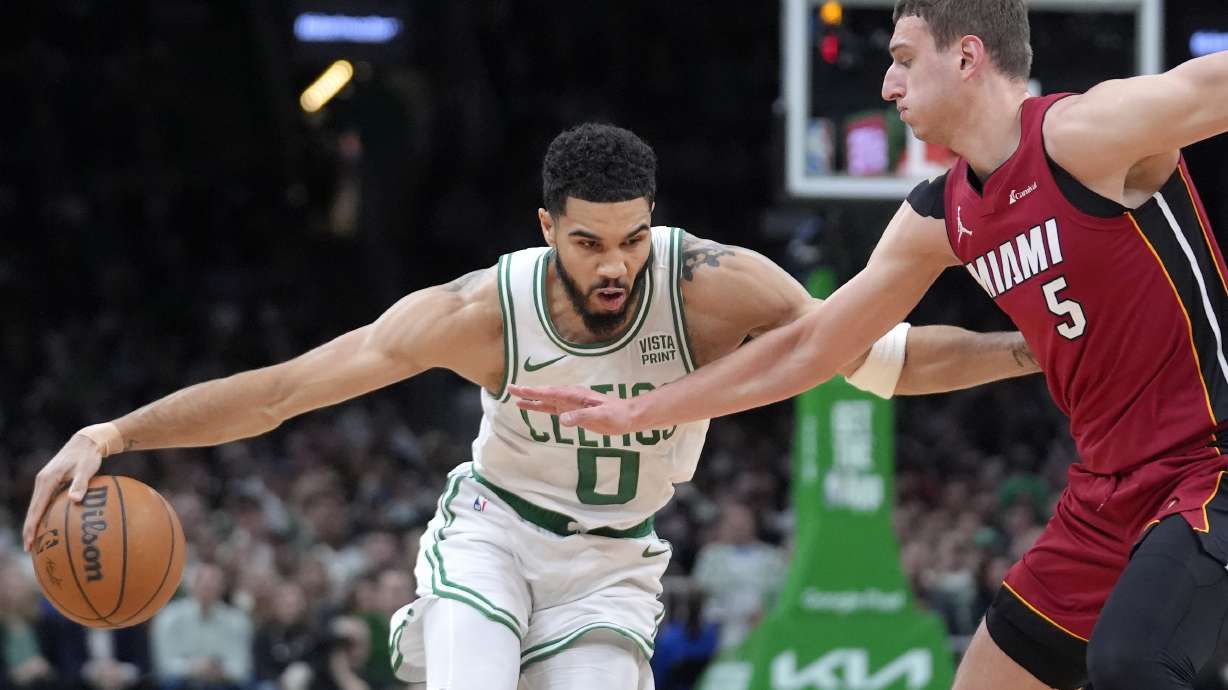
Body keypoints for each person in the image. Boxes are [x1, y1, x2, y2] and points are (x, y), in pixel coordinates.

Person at [22, 123, 1039, 690]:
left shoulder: (719, 288)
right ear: (546, 225)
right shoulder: (479, 313)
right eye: (589, 241)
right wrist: (114, 432)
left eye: (633, 239)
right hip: (494, 537)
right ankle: (442, 629)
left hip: (614, 564)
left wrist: (1042, 346)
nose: (615, 265)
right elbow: (287, 391)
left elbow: (894, 362)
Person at [510, 4, 1228, 690]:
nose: (887, 85)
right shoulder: (937, 214)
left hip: (1211, 463)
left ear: (968, 57)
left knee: (1133, 664)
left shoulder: (1087, 134)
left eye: (904, 61)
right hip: (1106, 492)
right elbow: (813, 347)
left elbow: (1208, 84)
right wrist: (643, 410)